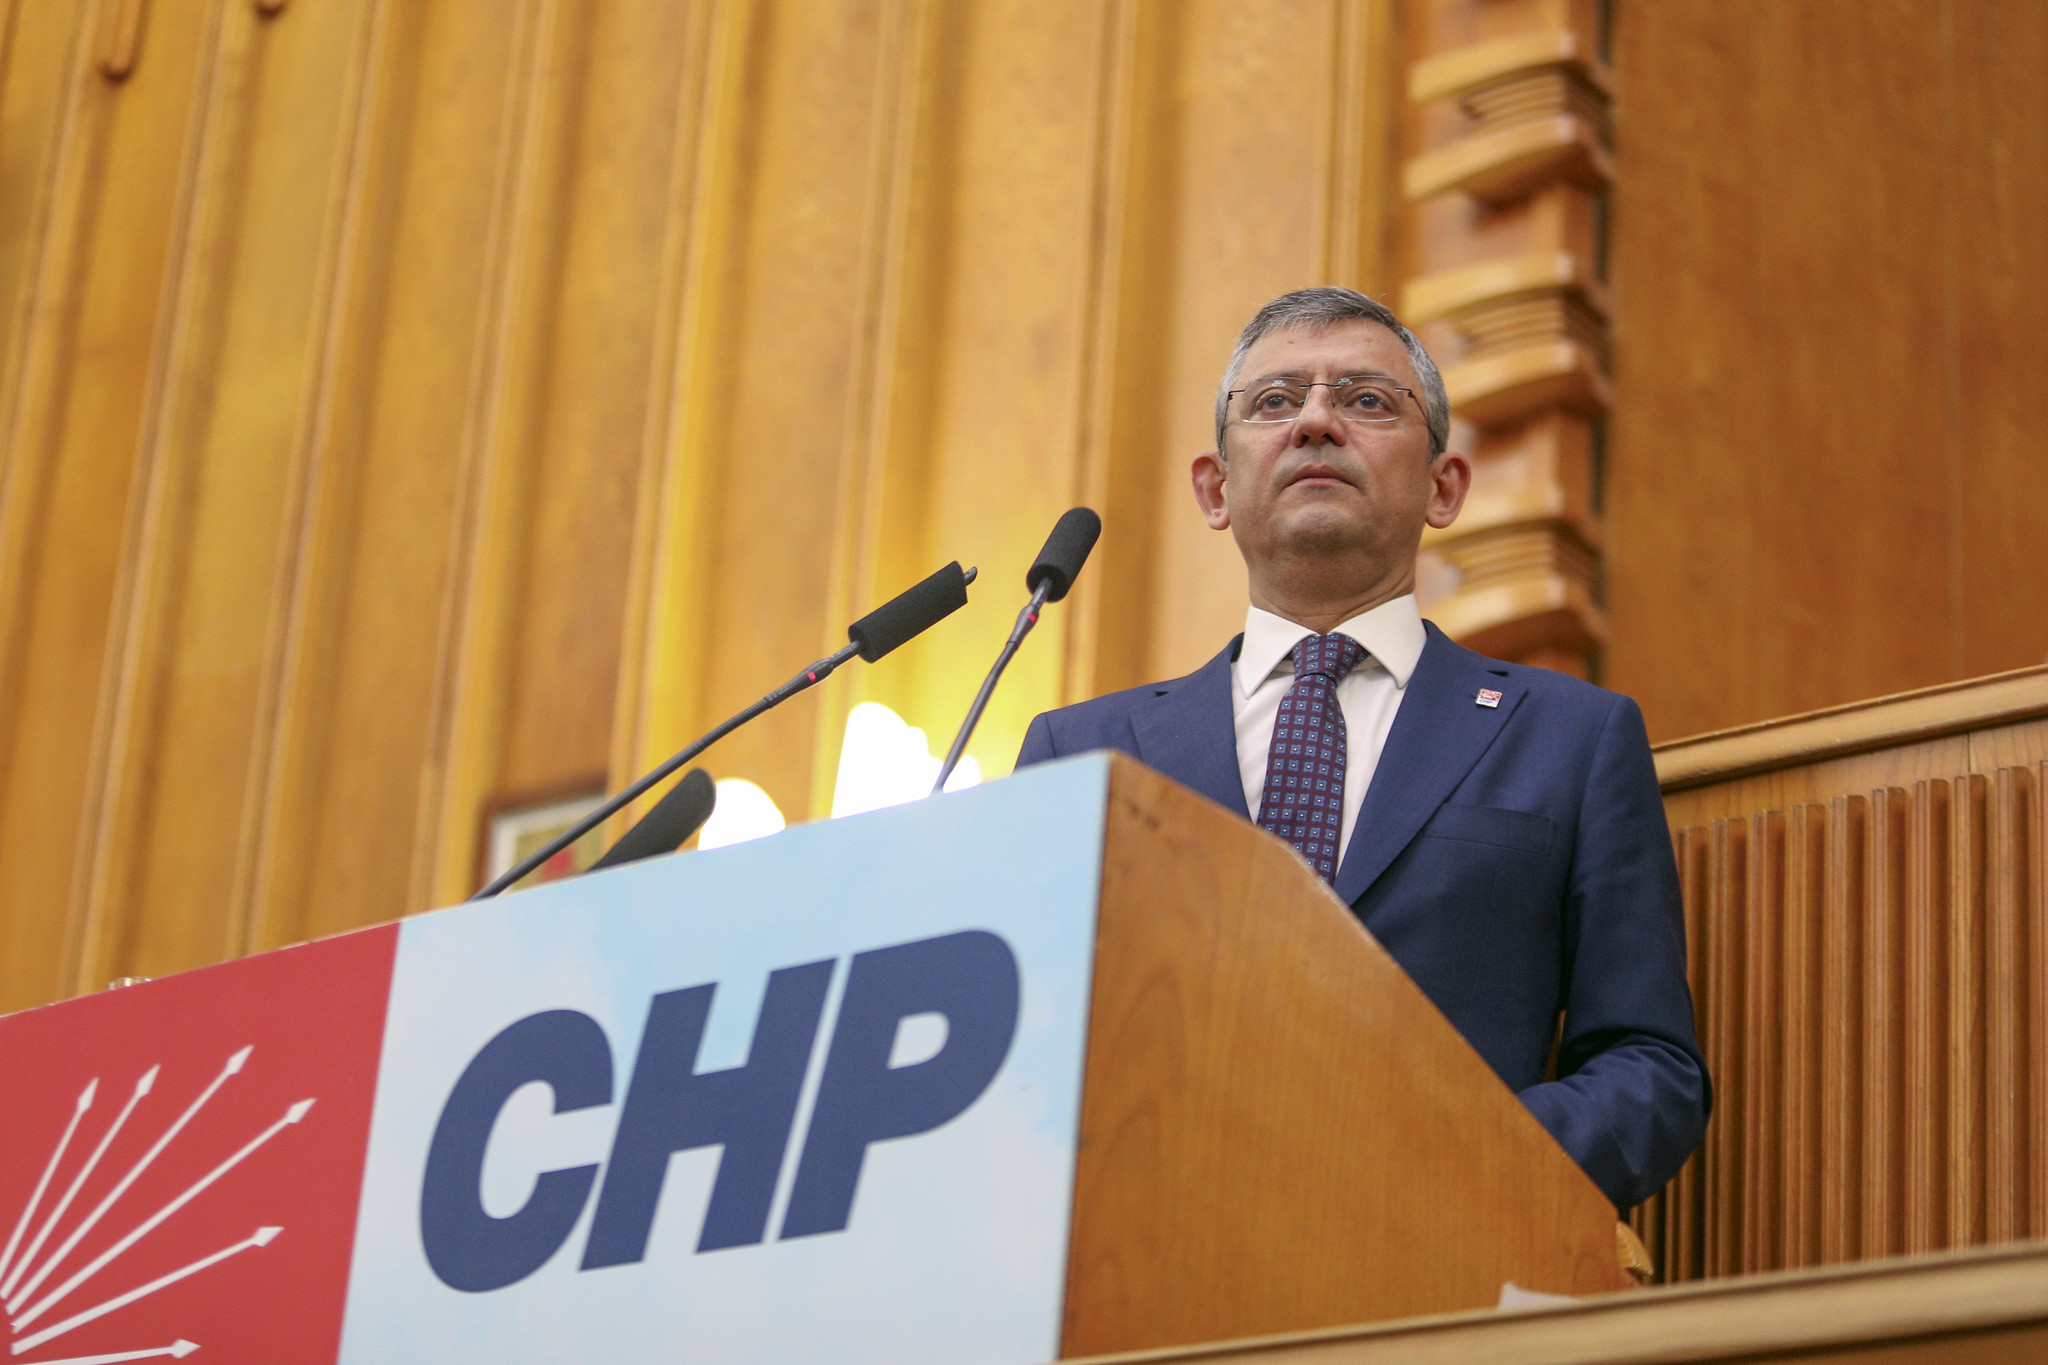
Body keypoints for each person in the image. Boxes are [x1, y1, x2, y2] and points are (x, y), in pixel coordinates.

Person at [1015, 288, 1709, 1210]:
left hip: (1442, 1253)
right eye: (1273, 401)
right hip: (1141, 1240)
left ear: (1444, 487)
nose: (1314, 422)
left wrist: (1445, 1159)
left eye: (1367, 400)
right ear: (1215, 490)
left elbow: (1648, 1068)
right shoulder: (1081, 753)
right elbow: (1018, 1047)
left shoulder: (1573, 739)